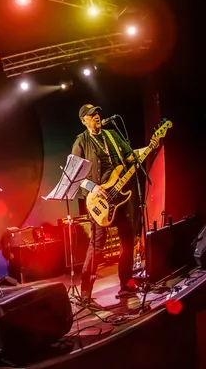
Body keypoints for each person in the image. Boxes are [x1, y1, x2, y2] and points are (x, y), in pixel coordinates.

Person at [72, 104, 157, 302]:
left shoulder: (112, 135)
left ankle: (125, 284)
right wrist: (92, 186)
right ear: (84, 120)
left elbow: (130, 157)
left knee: (127, 241)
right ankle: (85, 293)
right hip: (98, 200)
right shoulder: (81, 142)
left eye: (97, 113)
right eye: (92, 115)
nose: (97, 117)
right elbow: (74, 175)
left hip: (118, 199)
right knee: (97, 247)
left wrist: (151, 146)